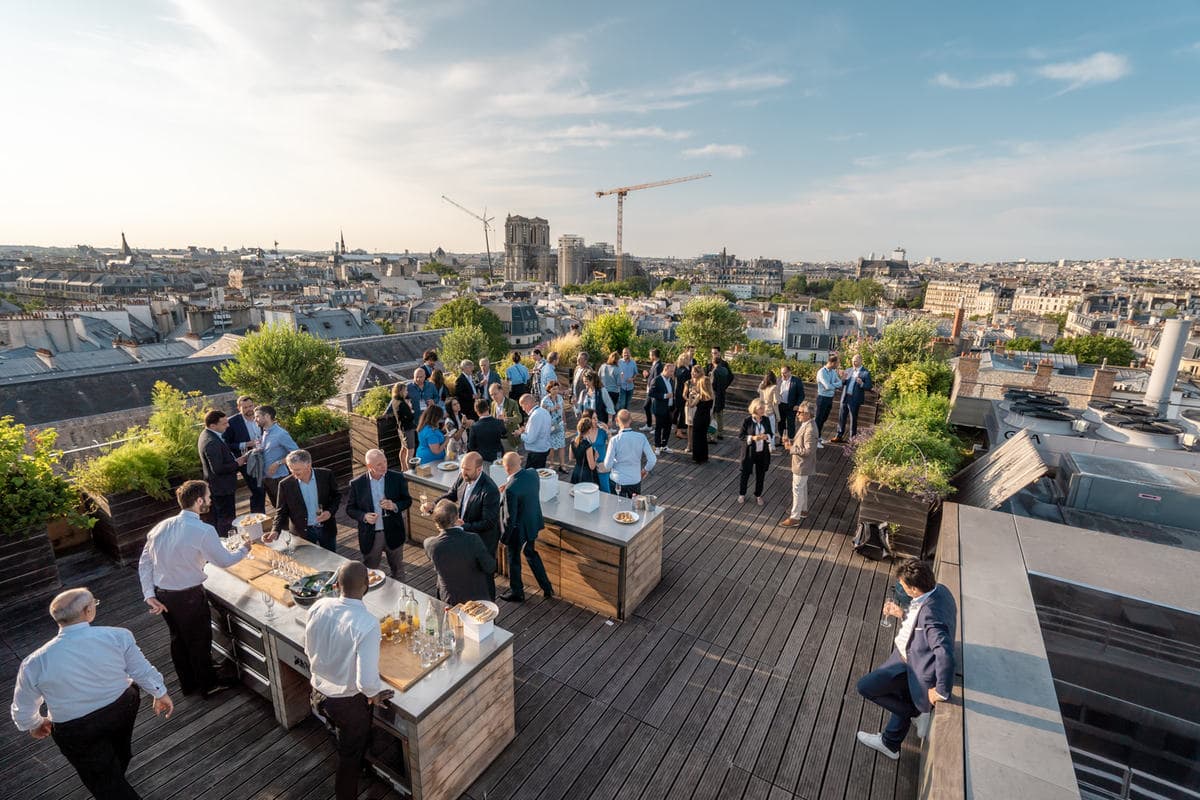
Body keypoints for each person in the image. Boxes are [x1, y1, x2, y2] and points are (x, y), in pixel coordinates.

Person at [10, 588, 174, 800]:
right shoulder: (118, 636)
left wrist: (34, 724)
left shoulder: (34, 662)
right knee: (119, 751)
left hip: (76, 728)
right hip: (122, 708)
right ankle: (113, 772)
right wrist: (160, 693)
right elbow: (140, 670)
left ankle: (109, 777)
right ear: (88, 611)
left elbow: (23, 706)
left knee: (103, 779)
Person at [139, 480, 248, 698]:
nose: (209, 500)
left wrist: (149, 594)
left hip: (163, 595)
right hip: (188, 596)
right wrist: (245, 549)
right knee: (199, 640)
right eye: (208, 497)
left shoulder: (160, 527)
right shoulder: (204, 530)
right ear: (199, 501)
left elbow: (145, 562)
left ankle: (188, 684)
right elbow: (224, 560)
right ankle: (208, 685)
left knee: (178, 639)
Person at [305, 562, 394, 800]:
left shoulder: (319, 606)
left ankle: (360, 763)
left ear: (336, 585)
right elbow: (366, 681)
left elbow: (309, 647)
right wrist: (374, 694)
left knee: (337, 733)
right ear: (366, 587)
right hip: (347, 704)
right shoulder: (367, 623)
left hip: (317, 692)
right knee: (349, 758)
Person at [856, 559, 956, 761]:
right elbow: (919, 622)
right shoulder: (940, 590)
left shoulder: (930, 616)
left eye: (902, 585)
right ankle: (890, 743)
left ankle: (915, 713)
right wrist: (901, 613)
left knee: (865, 687)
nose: (900, 587)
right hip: (906, 653)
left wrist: (941, 691)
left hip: (912, 663)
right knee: (901, 695)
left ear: (913, 589)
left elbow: (944, 652)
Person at [425, 451, 501, 600]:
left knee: (485, 577)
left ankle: (489, 605)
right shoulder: (462, 476)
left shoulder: (490, 490)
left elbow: (488, 522)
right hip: (463, 534)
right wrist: (434, 504)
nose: (463, 472)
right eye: (462, 468)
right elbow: (451, 494)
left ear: (479, 470)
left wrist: (463, 526)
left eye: (467, 469)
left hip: (482, 539)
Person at [345, 449, 412, 577]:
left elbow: (407, 500)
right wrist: (364, 517)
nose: (384, 466)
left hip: (394, 531)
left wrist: (395, 506)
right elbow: (350, 509)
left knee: (398, 571)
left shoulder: (397, 478)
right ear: (369, 466)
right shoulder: (357, 484)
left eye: (385, 462)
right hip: (372, 535)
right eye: (379, 464)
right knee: (370, 573)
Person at [498, 452, 554, 601]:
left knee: (514, 560)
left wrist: (504, 539)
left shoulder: (511, 490)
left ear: (506, 468)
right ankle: (547, 587)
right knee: (531, 553)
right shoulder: (533, 474)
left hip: (518, 530)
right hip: (532, 523)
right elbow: (526, 489)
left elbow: (510, 518)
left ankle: (517, 592)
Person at [424, 499, 498, 605]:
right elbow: (490, 567)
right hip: (475, 597)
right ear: (457, 517)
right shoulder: (473, 539)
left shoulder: (429, 544)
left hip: (450, 599)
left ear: (437, 524)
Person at [268, 449, 341, 552]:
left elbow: (336, 496)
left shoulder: (326, 475)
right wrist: (275, 530)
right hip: (301, 533)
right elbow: (281, 511)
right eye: (291, 469)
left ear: (308, 465)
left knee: (332, 559)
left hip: (326, 528)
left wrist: (330, 512)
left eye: (297, 470)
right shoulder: (285, 484)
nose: (294, 473)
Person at [197, 409, 247, 536]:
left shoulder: (208, 435)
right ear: (213, 425)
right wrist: (238, 463)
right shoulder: (211, 442)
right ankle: (228, 542)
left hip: (219, 486)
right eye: (224, 423)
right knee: (226, 519)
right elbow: (218, 469)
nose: (228, 425)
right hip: (221, 488)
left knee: (223, 518)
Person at [222, 395, 267, 514]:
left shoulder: (261, 417)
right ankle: (258, 518)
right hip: (247, 460)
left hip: (265, 457)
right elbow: (225, 444)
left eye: (250, 406)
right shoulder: (232, 422)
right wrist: (245, 444)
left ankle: (268, 516)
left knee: (267, 488)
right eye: (245, 407)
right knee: (258, 490)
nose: (249, 409)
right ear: (238, 408)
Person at [602, 409, 657, 498]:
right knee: (634, 508)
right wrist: (644, 470)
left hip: (617, 480)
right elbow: (652, 460)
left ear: (617, 421)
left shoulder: (614, 440)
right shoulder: (641, 437)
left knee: (617, 508)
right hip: (635, 479)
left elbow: (607, 465)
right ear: (631, 420)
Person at [780, 402, 818, 526]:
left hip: (802, 465)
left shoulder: (810, 429)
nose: (797, 414)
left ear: (807, 414)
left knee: (797, 489)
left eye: (800, 412)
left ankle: (795, 517)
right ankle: (803, 510)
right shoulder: (807, 424)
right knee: (802, 487)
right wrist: (791, 442)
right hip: (802, 464)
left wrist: (791, 448)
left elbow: (808, 451)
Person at [255, 404, 300, 507]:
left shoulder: (281, 434)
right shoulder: (264, 432)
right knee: (278, 509)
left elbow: (297, 452)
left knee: (288, 508)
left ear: (266, 416)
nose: (255, 420)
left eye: (257, 416)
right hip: (267, 479)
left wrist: (278, 463)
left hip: (279, 479)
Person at [737, 400, 773, 506]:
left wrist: (766, 436)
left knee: (761, 475)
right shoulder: (747, 420)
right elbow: (741, 436)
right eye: (760, 408)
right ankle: (742, 494)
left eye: (764, 408)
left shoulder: (766, 420)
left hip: (762, 452)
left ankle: (758, 495)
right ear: (754, 409)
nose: (763, 410)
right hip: (749, 452)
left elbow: (770, 433)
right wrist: (753, 438)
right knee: (745, 473)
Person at [833, 353, 873, 443]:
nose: (853, 362)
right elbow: (843, 383)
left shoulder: (865, 373)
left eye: (855, 361)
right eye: (852, 361)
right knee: (841, 417)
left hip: (855, 399)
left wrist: (862, 383)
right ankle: (839, 435)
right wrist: (842, 378)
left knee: (853, 418)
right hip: (845, 397)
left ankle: (852, 438)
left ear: (860, 361)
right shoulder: (848, 370)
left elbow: (869, 386)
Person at [815, 353, 843, 447]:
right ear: (832, 363)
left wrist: (833, 385)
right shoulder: (821, 372)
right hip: (822, 398)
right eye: (837, 363)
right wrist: (835, 385)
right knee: (818, 419)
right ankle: (815, 440)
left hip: (830, 398)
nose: (838, 365)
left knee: (824, 419)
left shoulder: (833, 372)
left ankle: (818, 437)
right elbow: (827, 387)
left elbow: (840, 382)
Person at [467, 398, 508, 463]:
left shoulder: (474, 427)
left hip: (483, 458)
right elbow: (505, 432)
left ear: (476, 411)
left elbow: (471, 446)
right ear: (488, 408)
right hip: (498, 456)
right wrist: (502, 421)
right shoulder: (499, 422)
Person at [540, 380, 568, 472]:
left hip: (559, 424)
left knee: (561, 445)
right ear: (549, 389)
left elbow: (563, 411)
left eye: (557, 389)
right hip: (550, 425)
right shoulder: (545, 400)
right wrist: (552, 409)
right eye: (554, 389)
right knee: (551, 446)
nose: (556, 391)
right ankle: (551, 464)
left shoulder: (560, 398)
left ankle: (562, 465)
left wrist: (565, 422)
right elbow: (541, 413)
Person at [518, 393, 551, 469]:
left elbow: (530, 439)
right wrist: (525, 430)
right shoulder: (544, 411)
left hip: (536, 452)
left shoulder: (535, 416)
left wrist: (520, 434)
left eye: (522, 406)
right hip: (544, 449)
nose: (523, 409)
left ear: (527, 404)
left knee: (531, 476)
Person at [649, 361, 676, 453]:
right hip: (660, 408)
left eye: (673, 371)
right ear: (665, 370)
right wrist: (665, 396)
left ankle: (664, 445)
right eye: (671, 371)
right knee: (658, 428)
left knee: (668, 428)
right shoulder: (657, 380)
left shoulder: (671, 380)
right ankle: (657, 446)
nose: (673, 373)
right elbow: (651, 393)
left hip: (669, 408)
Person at [385, 382, 417, 457]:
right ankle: (409, 468)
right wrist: (410, 408)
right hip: (407, 429)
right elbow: (410, 417)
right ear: (401, 391)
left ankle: (403, 468)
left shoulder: (394, 400)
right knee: (410, 451)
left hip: (400, 428)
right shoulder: (402, 403)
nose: (407, 392)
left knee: (403, 449)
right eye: (405, 390)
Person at [489, 382, 522, 451]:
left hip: (509, 439)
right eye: (491, 395)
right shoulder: (493, 404)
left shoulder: (512, 403)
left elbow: (519, 418)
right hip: (498, 439)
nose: (493, 397)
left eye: (495, 394)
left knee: (512, 460)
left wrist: (506, 419)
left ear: (501, 391)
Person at [690, 371, 714, 464]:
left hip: (699, 417)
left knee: (696, 437)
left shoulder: (700, 396)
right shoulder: (711, 396)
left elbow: (691, 405)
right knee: (703, 437)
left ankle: (697, 458)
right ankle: (704, 457)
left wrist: (692, 395)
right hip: (706, 417)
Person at [777, 364, 805, 443]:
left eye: (785, 373)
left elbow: (801, 395)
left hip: (791, 406)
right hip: (780, 405)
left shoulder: (796, 381)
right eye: (782, 373)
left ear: (790, 372)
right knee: (780, 423)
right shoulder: (778, 380)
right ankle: (781, 439)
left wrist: (797, 405)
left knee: (791, 424)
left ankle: (791, 440)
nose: (783, 375)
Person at [710, 347, 734, 439]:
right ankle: (718, 432)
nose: (713, 354)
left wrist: (724, 387)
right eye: (712, 353)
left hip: (717, 393)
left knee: (716, 413)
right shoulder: (709, 364)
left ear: (719, 353)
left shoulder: (724, 364)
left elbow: (731, 377)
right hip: (718, 392)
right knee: (717, 413)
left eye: (715, 353)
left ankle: (716, 434)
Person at [570, 417, 599, 485]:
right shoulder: (588, 446)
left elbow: (571, 458)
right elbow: (592, 467)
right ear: (589, 430)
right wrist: (595, 457)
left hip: (576, 471)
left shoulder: (573, 441)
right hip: (586, 475)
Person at [641, 348, 663, 431]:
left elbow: (656, 379)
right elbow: (652, 376)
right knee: (646, 407)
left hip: (653, 391)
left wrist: (652, 389)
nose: (649, 356)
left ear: (654, 356)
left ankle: (657, 428)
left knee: (655, 409)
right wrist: (647, 375)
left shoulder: (658, 366)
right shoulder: (654, 364)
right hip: (650, 390)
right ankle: (649, 425)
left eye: (650, 355)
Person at [758, 370, 781, 447]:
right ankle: (771, 446)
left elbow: (759, 393)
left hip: (761, 410)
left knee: (762, 429)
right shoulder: (774, 387)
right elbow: (777, 401)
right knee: (771, 430)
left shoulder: (762, 386)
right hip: (770, 411)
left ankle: (761, 445)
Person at [672, 354, 692, 437]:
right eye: (688, 358)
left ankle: (677, 428)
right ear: (685, 360)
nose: (690, 360)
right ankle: (679, 431)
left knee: (677, 411)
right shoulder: (685, 371)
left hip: (677, 393)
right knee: (682, 412)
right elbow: (687, 384)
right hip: (683, 393)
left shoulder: (678, 369)